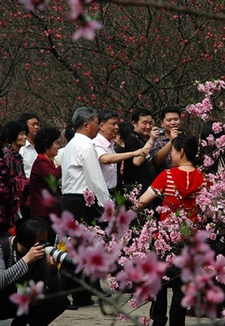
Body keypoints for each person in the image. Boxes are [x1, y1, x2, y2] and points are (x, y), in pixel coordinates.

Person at [138, 134, 206, 326]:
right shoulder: (203, 179)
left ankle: (158, 321)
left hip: (165, 239)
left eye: (174, 151)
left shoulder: (166, 176)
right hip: (190, 239)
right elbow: (212, 209)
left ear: (181, 152)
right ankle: (178, 322)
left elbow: (142, 201)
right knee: (182, 285)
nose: (172, 155)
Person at [61, 107, 110, 308]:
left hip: (71, 199)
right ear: (86, 124)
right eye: (97, 123)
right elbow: (95, 179)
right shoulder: (86, 146)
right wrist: (107, 202)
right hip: (81, 201)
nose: (98, 127)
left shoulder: (71, 144)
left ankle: (80, 295)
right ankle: (72, 295)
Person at [0, 217, 68, 325]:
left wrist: (53, 271)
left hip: (25, 294)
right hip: (3, 299)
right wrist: (27, 259)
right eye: (41, 241)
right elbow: (0, 281)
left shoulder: (40, 251)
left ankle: (26, 322)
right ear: (27, 240)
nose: (44, 245)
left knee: (60, 299)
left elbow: (54, 287)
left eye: (45, 241)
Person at [93, 109, 146, 193]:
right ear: (102, 126)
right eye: (113, 124)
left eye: (117, 124)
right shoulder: (96, 143)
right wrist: (133, 153)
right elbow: (105, 159)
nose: (117, 127)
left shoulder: (111, 145)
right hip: (100, 192)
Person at [29, 127, 62, 243]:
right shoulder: (40, 163)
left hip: (49, 213)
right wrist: (67, 162)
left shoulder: (48, 162)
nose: (58, 146)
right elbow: (52, 176)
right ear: (46, 145)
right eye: (55, 143)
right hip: (42, 214)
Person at [124, 108, 160, 197]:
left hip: (150, 186)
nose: (148, 127)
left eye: (150, 123)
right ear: (134, 124)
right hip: (136, 188)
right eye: (144, 123)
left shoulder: (146, 139)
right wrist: (151, 140)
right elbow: (137, 161)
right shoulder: (132, 139)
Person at [4, 120, 30, 218]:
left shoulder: (18, 155)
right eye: (21, 134)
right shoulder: (8, 155)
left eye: (25, 134)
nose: (25, 137)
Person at [150, 106, 182, 173]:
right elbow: (156, 160)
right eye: (169, 120)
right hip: (163, 180)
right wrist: (172, 141)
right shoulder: (156, 139)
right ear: (162, 123)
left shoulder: (185, 138)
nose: (173, 123)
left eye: (176, 119)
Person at [19, 113, 41, 178]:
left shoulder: (39, 147)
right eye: (33, 124)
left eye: (37, 124)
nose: (36, 127)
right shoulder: (21, 149)